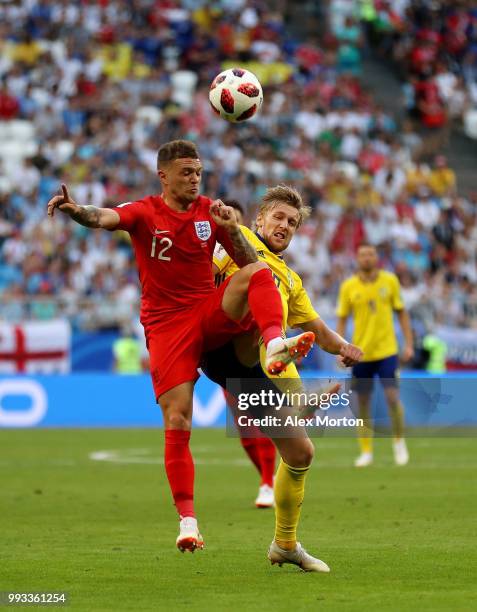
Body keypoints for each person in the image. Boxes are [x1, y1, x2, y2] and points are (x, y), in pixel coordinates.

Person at [47, 140, 315, 554]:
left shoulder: (210, 212)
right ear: (164, 175)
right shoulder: (144, 211)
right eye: (186, 172)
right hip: (166, 326)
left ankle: (275, 342)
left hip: (205, 311)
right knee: (178, 420)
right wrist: (76, 210)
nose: (194, 179)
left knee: (259, 273)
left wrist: (228, 229)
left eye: (198, 172)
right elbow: (104, 217)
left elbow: (247, 261)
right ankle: (188, 521)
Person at [203, 185, 363, 572]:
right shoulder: (234, 238)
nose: (285, 226)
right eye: (278, 217)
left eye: (292, 222)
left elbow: (322, 332)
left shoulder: (291, 280)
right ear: (259, 219)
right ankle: (282, 354)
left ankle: (285, 545)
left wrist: (345, 348)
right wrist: (219, 220)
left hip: (243, 365)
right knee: (255, 280)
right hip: (212, 335)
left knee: (301, 452)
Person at [336, 243, 414, 467]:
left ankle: (399, 443)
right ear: (357, 259)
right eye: (362, 254)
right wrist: (340, 349)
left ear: (376, 257)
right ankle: (366, 451)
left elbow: (402, 314)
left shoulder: (390, 281)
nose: (367, 258)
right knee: (362, 403)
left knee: (392, 397)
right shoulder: (349, 287)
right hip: (359, 354)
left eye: (370, 254)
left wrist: (408, 344)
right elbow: (342, 319)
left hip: (387, 351)